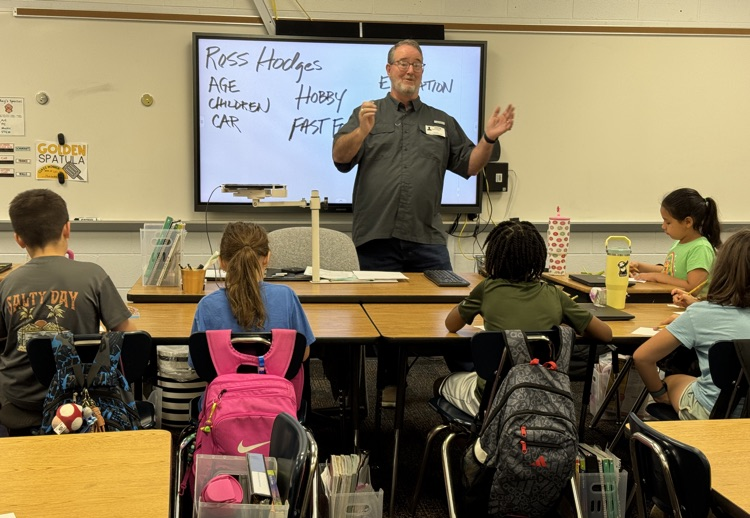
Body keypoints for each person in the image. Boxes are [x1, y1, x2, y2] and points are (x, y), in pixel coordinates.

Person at [333, 38, 515, 272]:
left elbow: (470, 165)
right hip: (374, 240)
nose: (410, 70)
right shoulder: (367, 114)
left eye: (417, 64)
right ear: (389, 70)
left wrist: (488, 138)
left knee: (440, 305)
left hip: (427, 241)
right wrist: (361, 131)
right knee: (374, 308)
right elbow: (340, 156)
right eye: (403, 63)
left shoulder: (442, 120)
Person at [437, 220, 613, 416]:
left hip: (494, 396)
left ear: (494, 257)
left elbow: (450, 324)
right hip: (543, 395)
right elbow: (606, 334)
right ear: (538, 258)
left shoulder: (486, 289)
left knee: (442, 383)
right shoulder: (555, 295)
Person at [0, 189, 136, 435]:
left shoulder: (6, 284)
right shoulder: (93, 275)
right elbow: (130, 336)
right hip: (79, 400)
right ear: (67, 229)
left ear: (19, 239)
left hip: (22, 402)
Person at [191, 222, 315, 409]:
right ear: (267, 258)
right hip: (279, 407)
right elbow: (303, 354)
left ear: (222, 262)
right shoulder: (287, 297)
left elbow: (198, 364)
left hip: (224, 407)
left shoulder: (206, 306)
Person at [632, 228, 750, 419]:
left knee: (672, 379)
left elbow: (642, 357)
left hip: (713, 414)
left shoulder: (700, 315)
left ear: (722, 269)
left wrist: (659, 394)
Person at [630, 187, 721, 292]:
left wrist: (655, 277)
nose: (663, 226)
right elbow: (670, 272)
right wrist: (639, 266)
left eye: (668, 222)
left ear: (688, 222)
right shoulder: (679, 243)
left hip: (692, 306)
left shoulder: (700, 248)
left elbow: (693, 287)